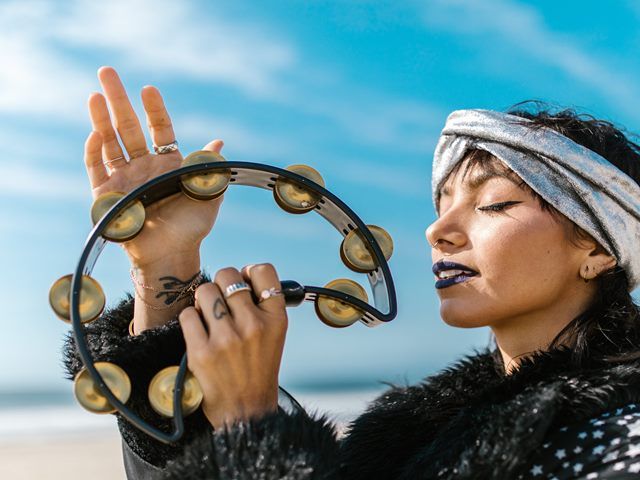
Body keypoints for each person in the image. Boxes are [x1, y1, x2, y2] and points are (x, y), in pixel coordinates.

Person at [63, 67, 640, 479]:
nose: (437, 232)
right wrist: (165, 265)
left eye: (493, 205)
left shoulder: (620, 435)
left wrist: (249, 426)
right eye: (441, 207)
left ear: (598, 250)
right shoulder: (408, 435)